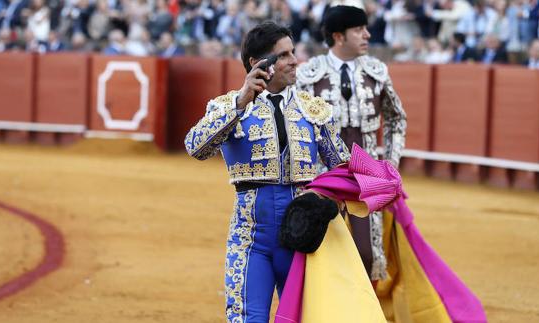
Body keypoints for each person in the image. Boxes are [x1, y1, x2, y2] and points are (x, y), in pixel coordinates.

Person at [184, 21, 350, 323]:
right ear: (258, 63)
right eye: (284, 55)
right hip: (250, 239)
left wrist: (330, 200)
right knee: (248, 318)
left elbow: (342, 169)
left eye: (293, 52)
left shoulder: (313, 110)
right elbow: (196, 147)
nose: (294, 60)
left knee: (304, 318)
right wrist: (240, 101)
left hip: (303, 239)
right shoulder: (229, 106)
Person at [275, 144, 487, 323]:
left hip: (362, 183)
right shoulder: (310, 101)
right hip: (326, 186)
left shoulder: (377, 91)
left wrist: (389, 165)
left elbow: (396, 120)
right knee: (319, 260)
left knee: (368, 256)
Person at [296, 5, 407, 282]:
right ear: (339, 36)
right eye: (359, 30)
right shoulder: (308, 74)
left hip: (367, 176)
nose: (367, 35)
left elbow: (396, 119)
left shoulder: (377, 71)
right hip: (322, 176)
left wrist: (390, 165)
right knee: (318, 247)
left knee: (366, 252)